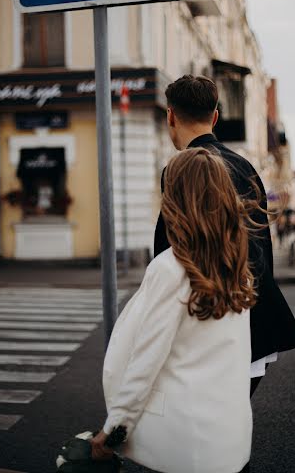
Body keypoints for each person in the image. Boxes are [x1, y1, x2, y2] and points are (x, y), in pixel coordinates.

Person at [92, 148, 256, 473]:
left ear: (176, 200)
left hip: (185, 448)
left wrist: (112, 433)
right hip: (231, 443)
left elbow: (145, 362)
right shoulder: (236, 268)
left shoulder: (171, 269)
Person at [154, 75, 295, 395]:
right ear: (215, 116)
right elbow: (261, 241)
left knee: (199, 427)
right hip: (257, 315)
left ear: (170, 115)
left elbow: (173, 249)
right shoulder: (245, 166)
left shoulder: (181, 168)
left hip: (211, 325)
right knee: (226, 424)